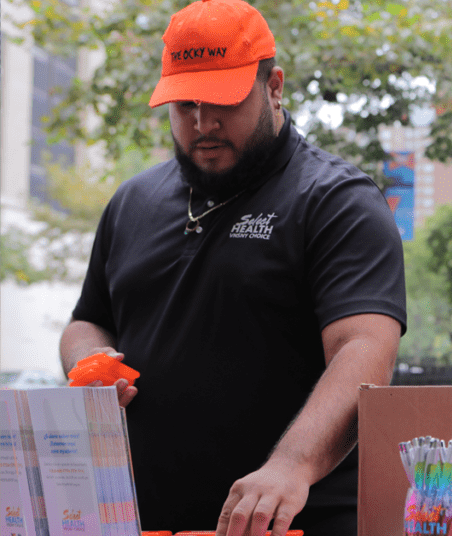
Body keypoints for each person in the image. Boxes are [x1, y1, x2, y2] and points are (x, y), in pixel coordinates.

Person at [58, 1, 406, 534]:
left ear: (273, 87)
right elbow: (88, 320)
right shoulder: (132, 203)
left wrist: (293, 464)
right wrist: (88, 361)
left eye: (223, 100)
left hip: (293, 523)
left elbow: (365, 350)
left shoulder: (336, 201)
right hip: (142, 522)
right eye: (184, 104)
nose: (203, 123)